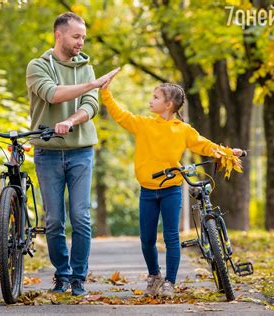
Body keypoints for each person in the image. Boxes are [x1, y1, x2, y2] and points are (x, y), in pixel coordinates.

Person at [99, 73, 244, 298]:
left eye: (155, 97)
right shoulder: (143, 124)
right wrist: (106, 93)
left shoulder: (183, 129)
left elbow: (204, 146)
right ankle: (154, 275)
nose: (151, 100)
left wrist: (227, 152)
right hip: (147, 190)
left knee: (171, 238)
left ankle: (170, 282)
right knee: (146, 239)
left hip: (172, 190)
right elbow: (121, 116)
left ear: (169, 104)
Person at [26, 12, 119, 296]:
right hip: (48, 152)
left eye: (83, 37)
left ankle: (78, 277)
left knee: (80, 216)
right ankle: (61, 275)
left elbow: (91, 106)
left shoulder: (86, 67)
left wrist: (72, 120)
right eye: (76, 36)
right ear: (59, 35)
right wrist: (93, 84)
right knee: (54, 220)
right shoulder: (37, 66)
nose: (81, 42)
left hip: (81, 152)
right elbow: (52, 94)